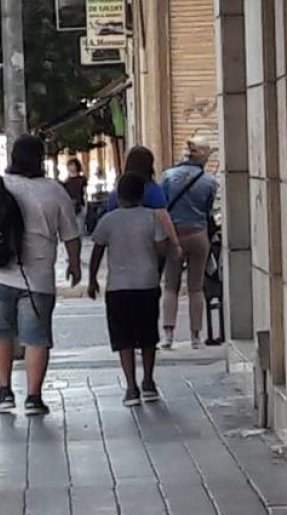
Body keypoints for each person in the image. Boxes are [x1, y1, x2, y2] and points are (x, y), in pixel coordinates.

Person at [0, 136, 82, 416]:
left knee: (0, 332)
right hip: (39, 278)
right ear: (40, 158)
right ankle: (33, 397)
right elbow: (71, 235)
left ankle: (4, 392)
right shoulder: (54, 191)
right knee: (37, 337)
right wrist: (74, 264)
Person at [88, 172, 170, 407]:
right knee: (148, 336)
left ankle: (131, 387)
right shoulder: (152, 217)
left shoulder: (109, 220)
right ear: (142, 194)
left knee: (123, 338)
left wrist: (93, 279)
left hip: (118, 288)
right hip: (147, 283)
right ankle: (149, 381)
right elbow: (162, 247)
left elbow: (97, 251)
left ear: (118, 194)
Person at [160, 137, 219, 349]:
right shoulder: (210, 182)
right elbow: (208, 210)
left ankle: (168, 335)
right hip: (198, 235)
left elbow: (163, 208)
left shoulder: (167, 176)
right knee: (196, 287)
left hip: (175, 236)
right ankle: (195, 336)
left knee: (171, 286)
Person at [104, 146, 181, 265]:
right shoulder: (154, 190)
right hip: (149, 246)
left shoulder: (116, 193)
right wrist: (175, 244)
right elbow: (163, 217)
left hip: (121, 248)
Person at [62, 158, 87, 232]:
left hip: (80, 206)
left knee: (80, 229)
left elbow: (85, 193)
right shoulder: (66, 182)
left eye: (72, 165)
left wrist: (85, 207)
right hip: (69, 207)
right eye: (69, 165)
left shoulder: (82, 179)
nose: (70, 167)